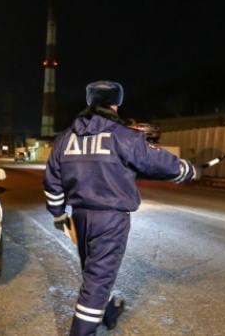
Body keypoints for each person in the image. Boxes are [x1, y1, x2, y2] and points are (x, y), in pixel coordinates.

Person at [43, 80, 199, 336]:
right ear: (116, 104)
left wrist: (59, 214)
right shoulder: (125, 137)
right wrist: (188, 170)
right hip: (110, 219)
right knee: (98, 278)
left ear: (89, 102)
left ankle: (109, 311)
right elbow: (158, 163)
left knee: (93, 272)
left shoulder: (64, 139)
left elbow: (52, 182)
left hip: (80, 217)